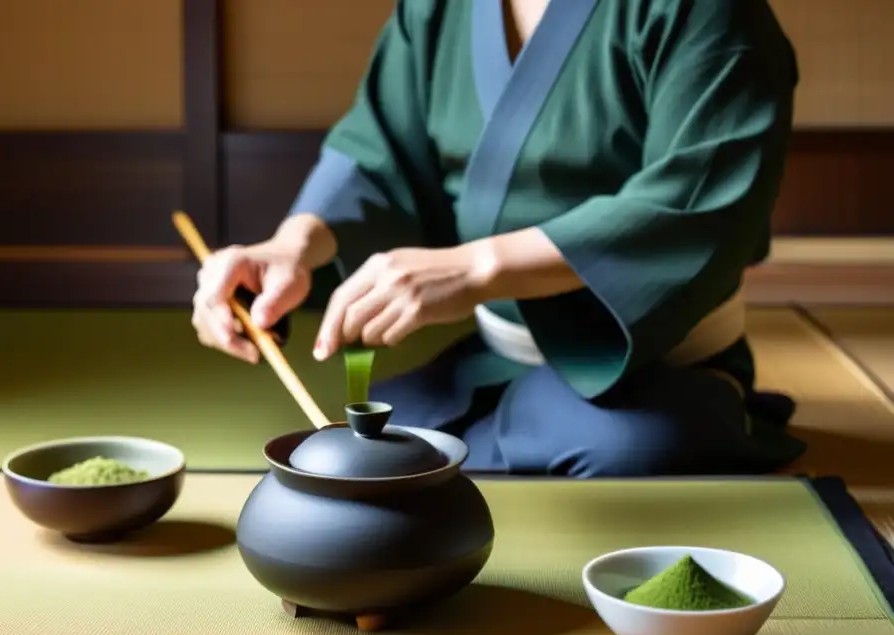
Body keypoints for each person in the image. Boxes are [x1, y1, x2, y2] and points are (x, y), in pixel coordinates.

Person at [192, 0, 806, 477]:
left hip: (649, 358)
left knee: (626, 452)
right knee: (365, 448)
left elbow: (697, 198)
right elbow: (380, 146)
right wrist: (294, 244)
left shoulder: (708, 10)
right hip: (497, 354)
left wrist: (480, 267)